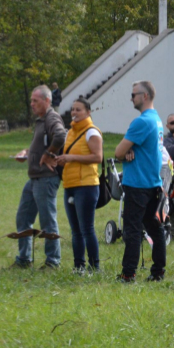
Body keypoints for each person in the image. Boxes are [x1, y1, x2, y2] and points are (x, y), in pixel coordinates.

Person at [114, 81, 166, 282]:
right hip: (153, 183)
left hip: (138, 184)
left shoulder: (141, 122)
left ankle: (128, 274)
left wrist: (127, 150)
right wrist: (131, 149)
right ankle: (158, 271)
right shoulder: (157, 119)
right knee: (153, 226)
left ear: (144, 96)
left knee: (133, 230)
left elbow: (118, 152)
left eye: (133, 94)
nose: (131, 98)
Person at [12, 85, 66, 269]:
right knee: (23, 217)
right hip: (34, 179)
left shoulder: (52, 118)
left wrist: (49, 154)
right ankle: (24, 258)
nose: (31, 104)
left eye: (35, 100)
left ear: (47, 101)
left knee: (47, 220)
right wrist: (27, 153)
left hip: (46, 179)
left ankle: (53, 261)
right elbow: (41, 145)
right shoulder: (41, 121)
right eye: (31, 100)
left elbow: (60, 136)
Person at [55, 97, 103, 273]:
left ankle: (94, 267)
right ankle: (78, 266)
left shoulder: (92, 132)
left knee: (87, 228)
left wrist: (71, 158)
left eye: (79, 110)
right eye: (73, 109)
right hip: (70, 184)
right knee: (75, 230)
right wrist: (61, 160)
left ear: (88, 112)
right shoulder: (70, 133)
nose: (74, 113)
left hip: (87, 185)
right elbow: (69, 156)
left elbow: (98, 157)